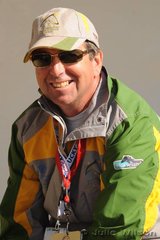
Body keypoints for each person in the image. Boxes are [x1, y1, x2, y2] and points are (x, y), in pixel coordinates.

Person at [0, 7, 160, 240]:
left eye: (69, 56)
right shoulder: (27, 127)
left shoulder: (131, 124)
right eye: (43, 58)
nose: (56, 70)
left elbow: (118, 228)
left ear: (96, 60)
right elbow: (19, 223)